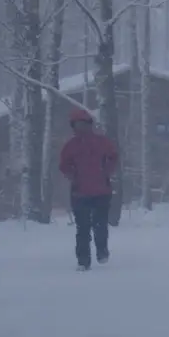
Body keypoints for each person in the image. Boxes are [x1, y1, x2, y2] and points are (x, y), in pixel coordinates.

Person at [59, 106, 118, 271]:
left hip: (101, 191)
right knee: (83, 228)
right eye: (77, 124)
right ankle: (83, 261)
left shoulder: (102, 142)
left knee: (100, 225)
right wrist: (73, 175)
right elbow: (63, 165)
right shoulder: (70, 146)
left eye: (83, 124)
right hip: (80, 192)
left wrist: (105, 171)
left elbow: (113, 157)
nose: (80, 127)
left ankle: (102, 252)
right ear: (73, 126)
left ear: (89, 124)